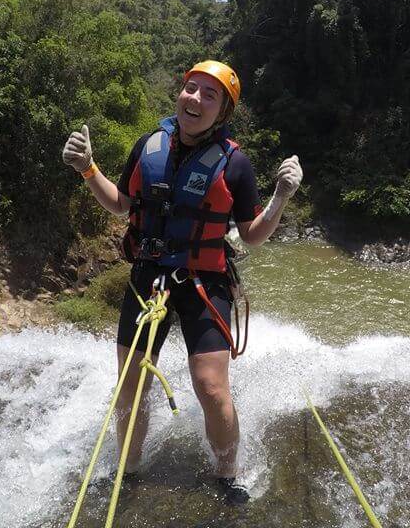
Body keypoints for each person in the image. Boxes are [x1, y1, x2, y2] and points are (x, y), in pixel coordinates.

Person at [62, 60, 303, 505]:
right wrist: (87, 168)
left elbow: (250, 236)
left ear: (223, 111)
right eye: (190, 89)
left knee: (210, 386)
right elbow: (122, 206)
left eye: (208, 95)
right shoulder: (149, 145)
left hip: (203, 282)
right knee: (131, 383)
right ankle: (127, 469)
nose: (195, 99)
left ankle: (228, 473)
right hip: (147, 278)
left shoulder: (236, 164)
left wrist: (281, 198)